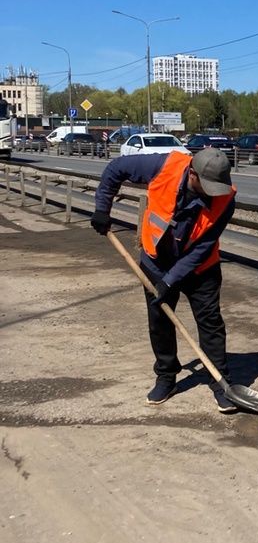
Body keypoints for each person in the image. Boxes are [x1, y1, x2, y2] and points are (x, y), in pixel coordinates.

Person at [90, 148, 238, 411]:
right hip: (156, 261)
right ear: (192, 173)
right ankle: (167, 377)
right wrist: (103, 209)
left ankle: (220, 381)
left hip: (200, 267)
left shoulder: (225, 199)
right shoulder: (162, 166)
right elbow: (115, 168)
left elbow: (203, 246)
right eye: (207, 187)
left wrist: (171, 281)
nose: (212, 194)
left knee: (211, 322)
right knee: (160, 322)